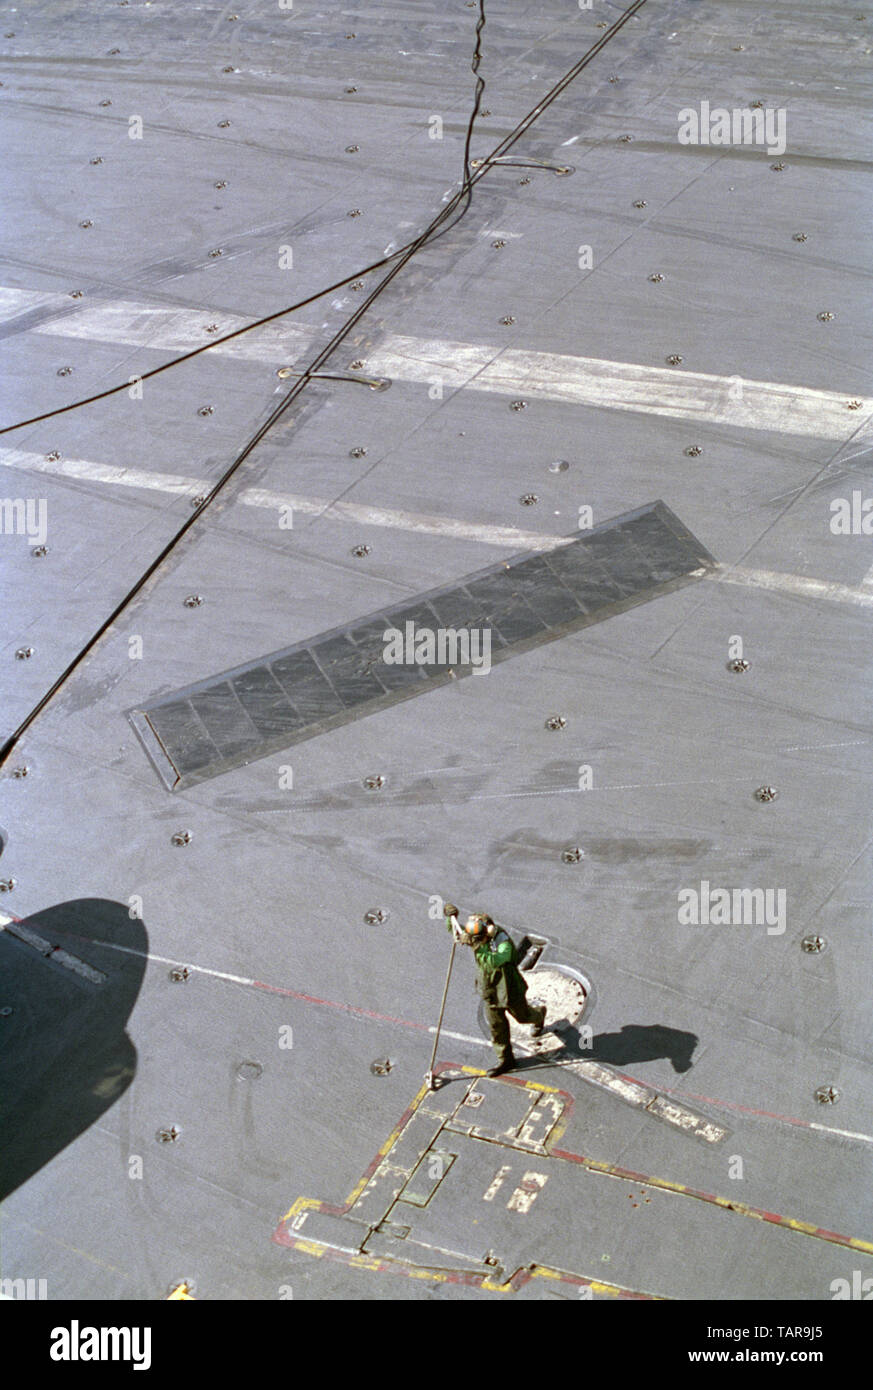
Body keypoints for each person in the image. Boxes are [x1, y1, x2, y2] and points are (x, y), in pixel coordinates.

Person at [443, 903, 546, 1076]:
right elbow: (457, 932)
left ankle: (539, 1015)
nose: (474, 941)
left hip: (509, 989)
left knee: (523, 1017)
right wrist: (450, 918)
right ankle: (506, 1061)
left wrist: (477, 946)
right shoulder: (478, 937)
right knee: (497, 1029)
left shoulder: (502, 942)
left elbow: (495, 960)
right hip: (490, 991)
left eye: (477, 939)